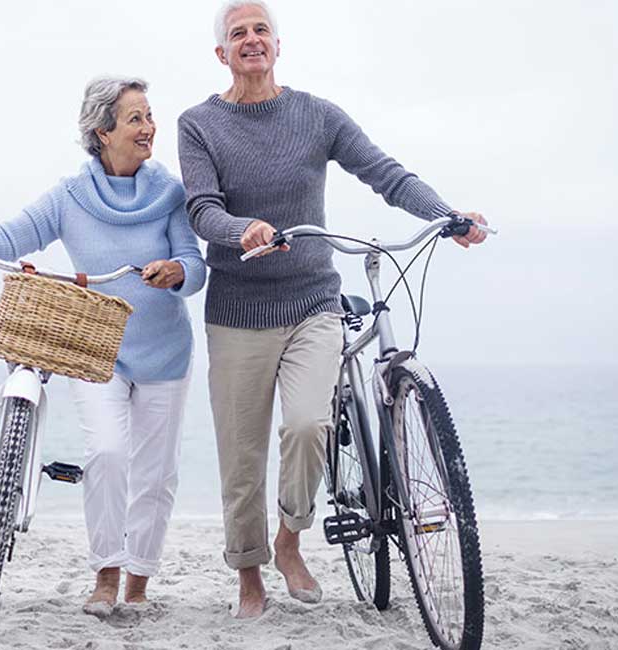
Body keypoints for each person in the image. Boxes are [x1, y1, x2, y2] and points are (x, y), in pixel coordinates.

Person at [176, 0, 491, 619]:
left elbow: (386, 173)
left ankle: (290, 541)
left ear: (277, 44)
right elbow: (201, 210)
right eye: (237, 34)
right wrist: (243, 230)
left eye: (261, 30)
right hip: (237, 312)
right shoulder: (199, 124)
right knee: (242, 459)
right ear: (221, 53)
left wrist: (445, 215)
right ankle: (249, 579)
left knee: (308, 426)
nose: (251, 40)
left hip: (312, 302)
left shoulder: (317, 115)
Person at [0, 76, 207, 617]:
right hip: (97, 353)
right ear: (102, 132)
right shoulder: (71, 196)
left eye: (149, 116)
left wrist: (175, 272)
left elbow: (195, 265)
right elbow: (10, 237)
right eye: (135, 118)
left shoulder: (170, 194)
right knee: (106, 452)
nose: (149, 128)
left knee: (156, 473)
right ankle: (106, 572)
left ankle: (139, 581)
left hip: (166, 352)